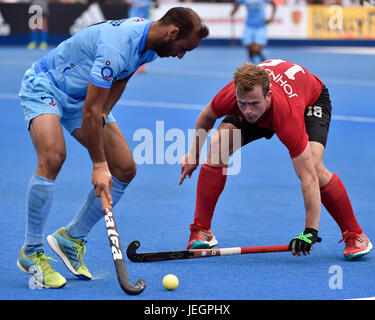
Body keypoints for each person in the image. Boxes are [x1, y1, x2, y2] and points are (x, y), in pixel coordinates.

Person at [17, 7, 209, 288]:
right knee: (54, 156)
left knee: (124, 168)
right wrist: (98, 164)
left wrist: (105, 115)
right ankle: (31, 252)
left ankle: (70, 239)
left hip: (85, 98)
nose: (180, 55)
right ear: (172, 32)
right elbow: (91, 113)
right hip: (47, 87)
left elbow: (120, 79)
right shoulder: (116, 46)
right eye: (183, 49)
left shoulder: (150, 43)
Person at [179, 59, 372, 261]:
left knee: (313, 165)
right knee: (219, 143)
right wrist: (193, 154)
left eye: (254, 103)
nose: (248, 110)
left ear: (268, 95)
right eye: (242, 103)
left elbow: (309, 178)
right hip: (271, 104)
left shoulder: (287, 116)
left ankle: (355, 234)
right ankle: (201, 230)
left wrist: (309, 231)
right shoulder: (234, 96)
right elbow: (206, 116)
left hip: (310, 101)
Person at [231, 0, 276, 64]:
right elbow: (238, 3)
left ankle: (264, 60)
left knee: (256, 49)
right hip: (248, 26)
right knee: (250, 50)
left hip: (260, 26)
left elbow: (273, 4)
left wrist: (271, 18)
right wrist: (234, 11)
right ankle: (253, 66)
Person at [125, 0, 159, 73]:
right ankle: (132, 64)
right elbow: (127, 2)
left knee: (142, 45)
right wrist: (138, 4)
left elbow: (156, 5)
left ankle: (139, 64)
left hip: (145, 24)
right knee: (133, 45)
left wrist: (148, 4)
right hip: (133, 23)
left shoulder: (149, 2)